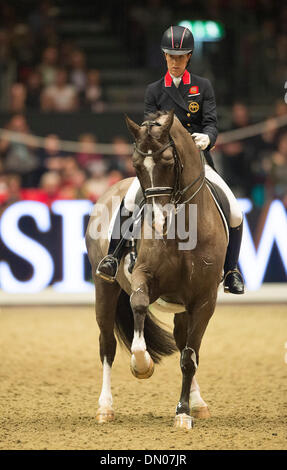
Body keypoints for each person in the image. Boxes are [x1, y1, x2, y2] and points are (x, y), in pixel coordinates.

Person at [97, 25, 244, 295]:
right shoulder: (154, 90)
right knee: (130, 199)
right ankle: (112, 256)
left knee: (234, 210)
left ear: (188, 57)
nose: (175, 62)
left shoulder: (202, 87)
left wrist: (206, 139)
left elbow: (211, 123)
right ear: (165, 57)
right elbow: (149, 128)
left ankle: (232, 270)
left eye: (181, 57)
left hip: (196, 163)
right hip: (162, 165)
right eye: (170, 57)